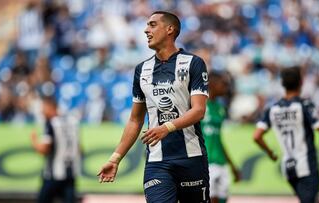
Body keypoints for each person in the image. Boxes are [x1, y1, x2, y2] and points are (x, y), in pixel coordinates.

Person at [97, 11, 210, 203]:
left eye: (152, 25)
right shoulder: (142, 70)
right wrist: (115, 158)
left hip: (191, 158)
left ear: (170, 29)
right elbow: (135, 119)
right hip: (157, 162)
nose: (145, 30)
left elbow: (198, 110)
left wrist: (167, 127)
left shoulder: (193, 63)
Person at [253, 66, 319, 203]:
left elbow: (257, 136)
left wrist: (270, 153)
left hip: (288, 167)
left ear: (282, 84)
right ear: (301, 83)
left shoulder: (272, 109)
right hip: (306, 166)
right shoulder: (304, 105)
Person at [30, 96, 81, 203]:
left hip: (53, 175)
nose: (42, 112)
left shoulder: (51, 123)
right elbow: (80, 148)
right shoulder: (73, 122)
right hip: (71, 172)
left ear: (51, 107)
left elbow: (45, 149)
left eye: (43, 108)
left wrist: (34, 141)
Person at [201, 71, 241, 203]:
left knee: (223, 199)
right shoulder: (199, 106)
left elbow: (218, 139)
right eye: (224, 84)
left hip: (221, 162)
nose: (227, 88)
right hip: (205, 162)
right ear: (212, 84)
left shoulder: (220, 108)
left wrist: (232, 166)